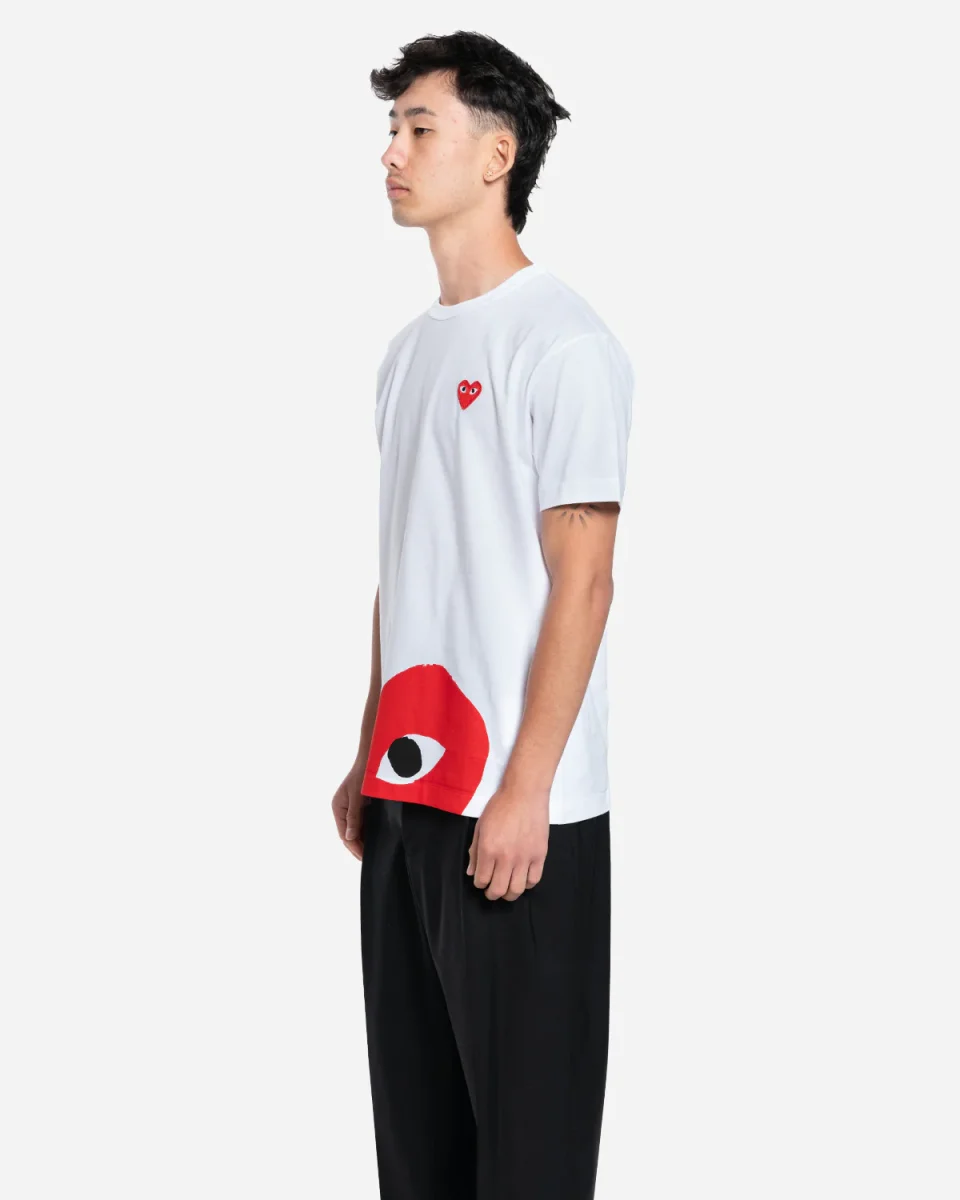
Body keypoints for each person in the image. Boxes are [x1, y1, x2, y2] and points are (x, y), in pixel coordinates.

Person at [331, 31, 634, 1200]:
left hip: (519, 812)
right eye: (392, 128)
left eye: (420, 127)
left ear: (497, 155)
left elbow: (586, 581)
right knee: (418, 1157)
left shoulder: (564, 343)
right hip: (409, 795)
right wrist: (368, 747)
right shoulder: (405, 359)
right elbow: (403, 568)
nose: (393, 152)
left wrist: (527, 788)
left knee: (528, 1160)